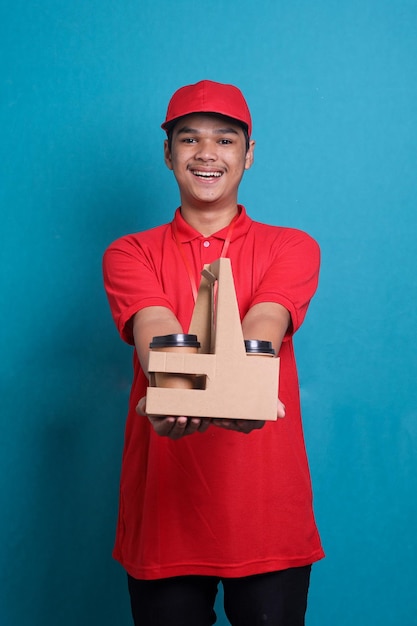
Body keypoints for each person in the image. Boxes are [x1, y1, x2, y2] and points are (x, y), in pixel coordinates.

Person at [102, 79, 324, 626]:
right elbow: (154, 329)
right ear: (169, 154)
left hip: (267, 514)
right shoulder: (129, 251)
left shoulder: (292, 246)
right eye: (189, 139)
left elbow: (267, 320)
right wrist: (178, 392)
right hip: (164, 520)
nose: (207, 154)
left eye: (225, 141)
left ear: (249, 154)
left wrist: (238, 393)